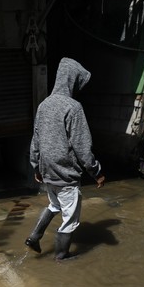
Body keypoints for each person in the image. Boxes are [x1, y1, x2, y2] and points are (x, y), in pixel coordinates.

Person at [25, 57, 106, 260]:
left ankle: (34, 236)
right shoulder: (73, 107)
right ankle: (62, 256)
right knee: (70, 219)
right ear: (72, 80)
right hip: (66, 175)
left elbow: (36, 140)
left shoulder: (44, 105)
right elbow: (82, 147)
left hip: (48, 173)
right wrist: (96, 172)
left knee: (54, 206)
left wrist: (36, 168)